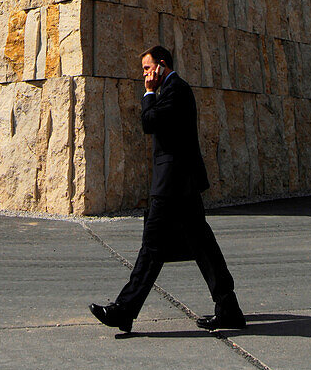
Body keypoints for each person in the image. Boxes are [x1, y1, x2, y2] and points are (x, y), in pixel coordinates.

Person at [89, 45, 245, 334]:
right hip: (180, 183)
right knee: (202, 246)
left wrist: (148, 94)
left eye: (147, 69)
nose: (145, 75)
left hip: (173, 183)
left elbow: (149, 122)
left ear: (161, 65)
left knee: (152, 246)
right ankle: (229, 308)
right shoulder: (173, 91)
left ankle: (124, 310)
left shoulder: (176, 90)